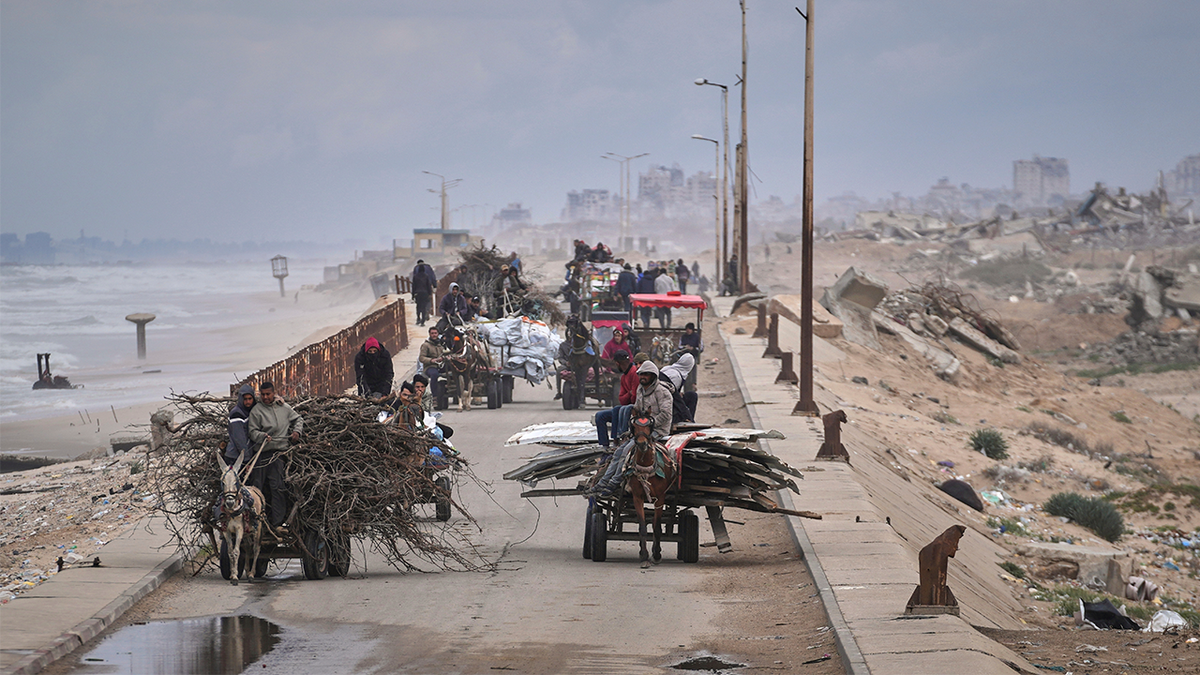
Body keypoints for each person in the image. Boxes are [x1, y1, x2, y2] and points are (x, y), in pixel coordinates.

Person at [589, 360, 673, 496]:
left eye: (646, 374)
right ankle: (603, 483)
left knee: (626, 452)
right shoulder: (640, 389)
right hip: (641, 430)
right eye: (641, 374)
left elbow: (666, 414)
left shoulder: (662, 392)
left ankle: (613, 483)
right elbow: (637, 410)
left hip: (658, 430)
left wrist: (648, 425)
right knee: (618, 452)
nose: (643, 377)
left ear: (653, 376)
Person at [247, 381, 303, 531]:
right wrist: (262, 436)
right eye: (262, 394)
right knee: (256, 488)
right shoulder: (256, 411)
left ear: (274, 393)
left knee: (277, 487)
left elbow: (298, 419)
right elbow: (252, 431)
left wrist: (297, 432)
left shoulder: (284, 408)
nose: (265, 397)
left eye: (268, 394)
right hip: (262, 453)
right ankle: (255, 522)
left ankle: (277, 523)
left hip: (278, 454)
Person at [594, 351, 637, 448]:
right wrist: (628, 394)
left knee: (617, 409)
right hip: (625, 408)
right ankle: (604, 446)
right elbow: (621, 399)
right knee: (600, 416)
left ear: (617, 363)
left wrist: (628, 395)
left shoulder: (634, 373)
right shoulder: (623, 377)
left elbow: (634, 397)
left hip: (634, 408)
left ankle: (616, 439)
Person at [660, 352, 699, 422]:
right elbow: (670, 395)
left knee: (691, 395)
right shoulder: (676, 377)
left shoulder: (667, 368)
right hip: (664, 405)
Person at [224, 384, 256, 464]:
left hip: (242, 455)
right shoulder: (237, 414)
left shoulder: (248, 411)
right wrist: (246, 459)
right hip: (235, 457)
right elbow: (240, 439)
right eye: (245, 399)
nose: (248, 402)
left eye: (250, 399)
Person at [419, 327, 446, 403]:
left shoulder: (441, 344)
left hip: (441, 365)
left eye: (435, 333)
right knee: (434, 375)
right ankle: (435, 396)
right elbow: (421, 358)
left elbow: (446, 353)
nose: (434, 335)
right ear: (429, 334)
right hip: (430, 366)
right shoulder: (426, 345)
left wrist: (444, 358)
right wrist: (431, 360)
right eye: (432, 333)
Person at [411, 259, 437, 326]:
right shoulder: (428, 271)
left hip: (418, 292)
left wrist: (413, 294)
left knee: (418, 306)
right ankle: (425, 315)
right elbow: (432, 278)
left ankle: (418, 318)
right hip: (425, 292)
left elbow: (414, 285)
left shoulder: (416, 271)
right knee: (425, 304)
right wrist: (433, 287)